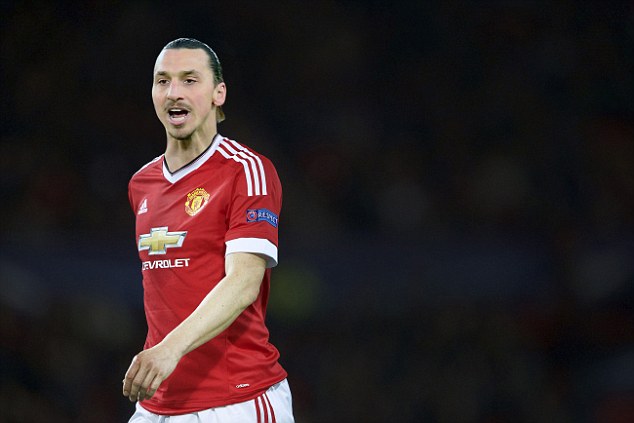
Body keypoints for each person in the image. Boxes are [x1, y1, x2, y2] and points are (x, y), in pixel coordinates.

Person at [123, 38, 294, 423]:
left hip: (237, 401)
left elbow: (244, 282)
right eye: (162, 81)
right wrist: (162, 355)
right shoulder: (141, 183)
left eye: (189, 80)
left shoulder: (247, 171)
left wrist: (170, 349)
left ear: (218, 93)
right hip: (158, 404)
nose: (173, 93)